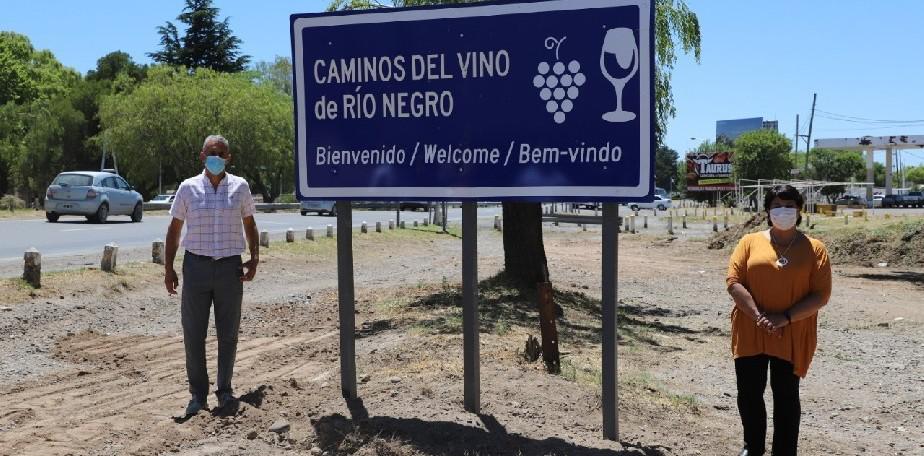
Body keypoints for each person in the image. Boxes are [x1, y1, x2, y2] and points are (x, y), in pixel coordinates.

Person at [726, 185, 831, 456]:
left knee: (786, 395)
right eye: (776, 206)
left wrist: (784, 318)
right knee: (749, 393)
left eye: (789, 206)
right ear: (767, 211)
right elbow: (734, 282)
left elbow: (821, 295)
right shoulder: (748, 242)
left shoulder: (815, 249)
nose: (783, 211)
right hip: (751, 328)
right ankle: (752, 447)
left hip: (791, 332)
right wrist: (760, 317)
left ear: (799, 210)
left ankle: (785, 451)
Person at [165, 135, 260, 416]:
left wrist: (254, 258)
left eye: (222, 153)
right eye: (211, 152)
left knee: (228, 334)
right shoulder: (188, 188)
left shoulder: (240, 187)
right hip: (196, 268)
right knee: (193, 333)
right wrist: (168, 267)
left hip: (230, 268)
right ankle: (198, 395)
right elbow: (174, 229)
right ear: (202, 156)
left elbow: (250, 224)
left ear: (229, 158)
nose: (216, 157)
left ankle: (225, 390)